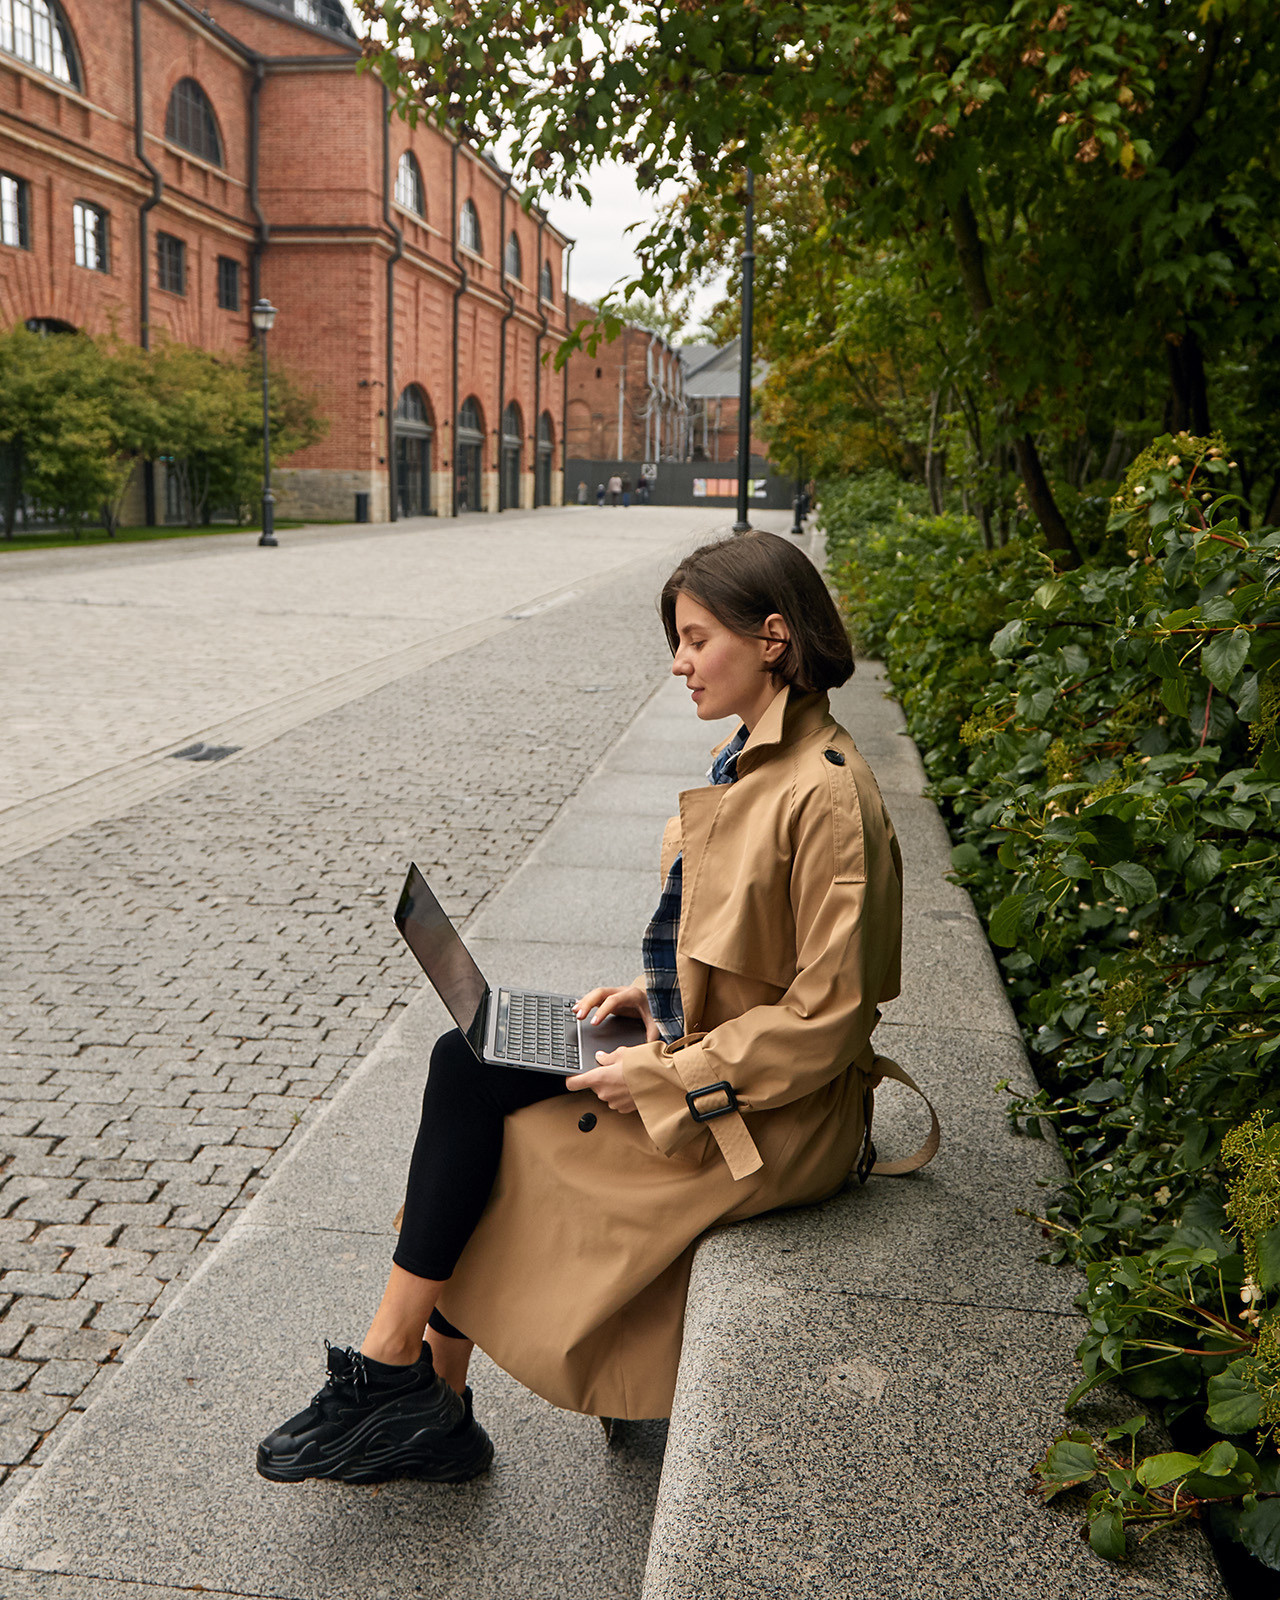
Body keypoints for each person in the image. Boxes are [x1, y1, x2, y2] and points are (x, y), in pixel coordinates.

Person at [256, 531, 929, 1487]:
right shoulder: (756, 758)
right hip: (715, 1059)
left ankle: (405, 1382)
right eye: (678, 639)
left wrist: (668, 1067)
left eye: (697, 639)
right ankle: (419, 1391)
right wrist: (653, 1002)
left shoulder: (825, 796)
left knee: (495, 1120)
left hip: (777, 1117)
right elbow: (746, 949)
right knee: (471, 1059)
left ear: (774, 637)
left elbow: (828, 1020)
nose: (679, 661)